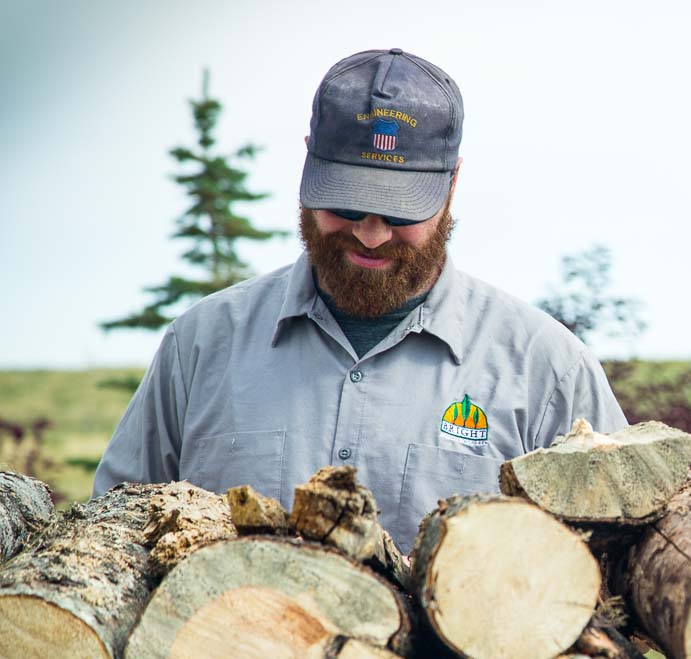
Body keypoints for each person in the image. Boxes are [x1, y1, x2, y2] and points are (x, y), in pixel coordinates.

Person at [94, 48, 627, 550]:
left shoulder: (548, 370)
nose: (371, 234)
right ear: (308, 165)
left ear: (452, 185)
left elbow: (614, 567)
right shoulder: (201, 345)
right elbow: (111, 537)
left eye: (399, 211)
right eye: (347, 205)